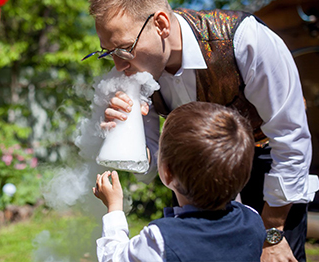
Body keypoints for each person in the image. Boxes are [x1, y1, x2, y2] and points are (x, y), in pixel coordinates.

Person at [84, 0, 318, 261]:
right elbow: (152, 166)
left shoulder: (246, 40)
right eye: (108, 53)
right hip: (191, 182)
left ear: (160, 24)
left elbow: (291, 137)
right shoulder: (132, 69)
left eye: (124, 49)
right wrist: (124, 133)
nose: (118, 65)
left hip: (270, 163)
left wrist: (273, 231)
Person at [94, 101, 266, 261]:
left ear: (167, 173)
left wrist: (114, 208)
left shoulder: (160, 241)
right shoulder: (253, 220)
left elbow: (113, 257)